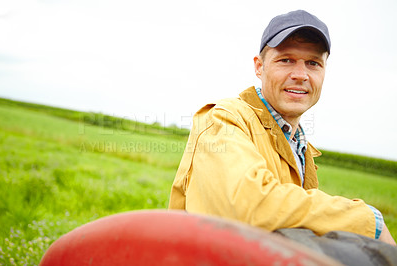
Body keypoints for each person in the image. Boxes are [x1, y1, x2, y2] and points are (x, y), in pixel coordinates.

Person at [168, 10, 396, 246]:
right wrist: (367, 220)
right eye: (286, 59)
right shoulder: (224, 119)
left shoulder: (299, 144)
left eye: (313, 63)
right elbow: (249, 204)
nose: (300, 75)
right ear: (259, 67)